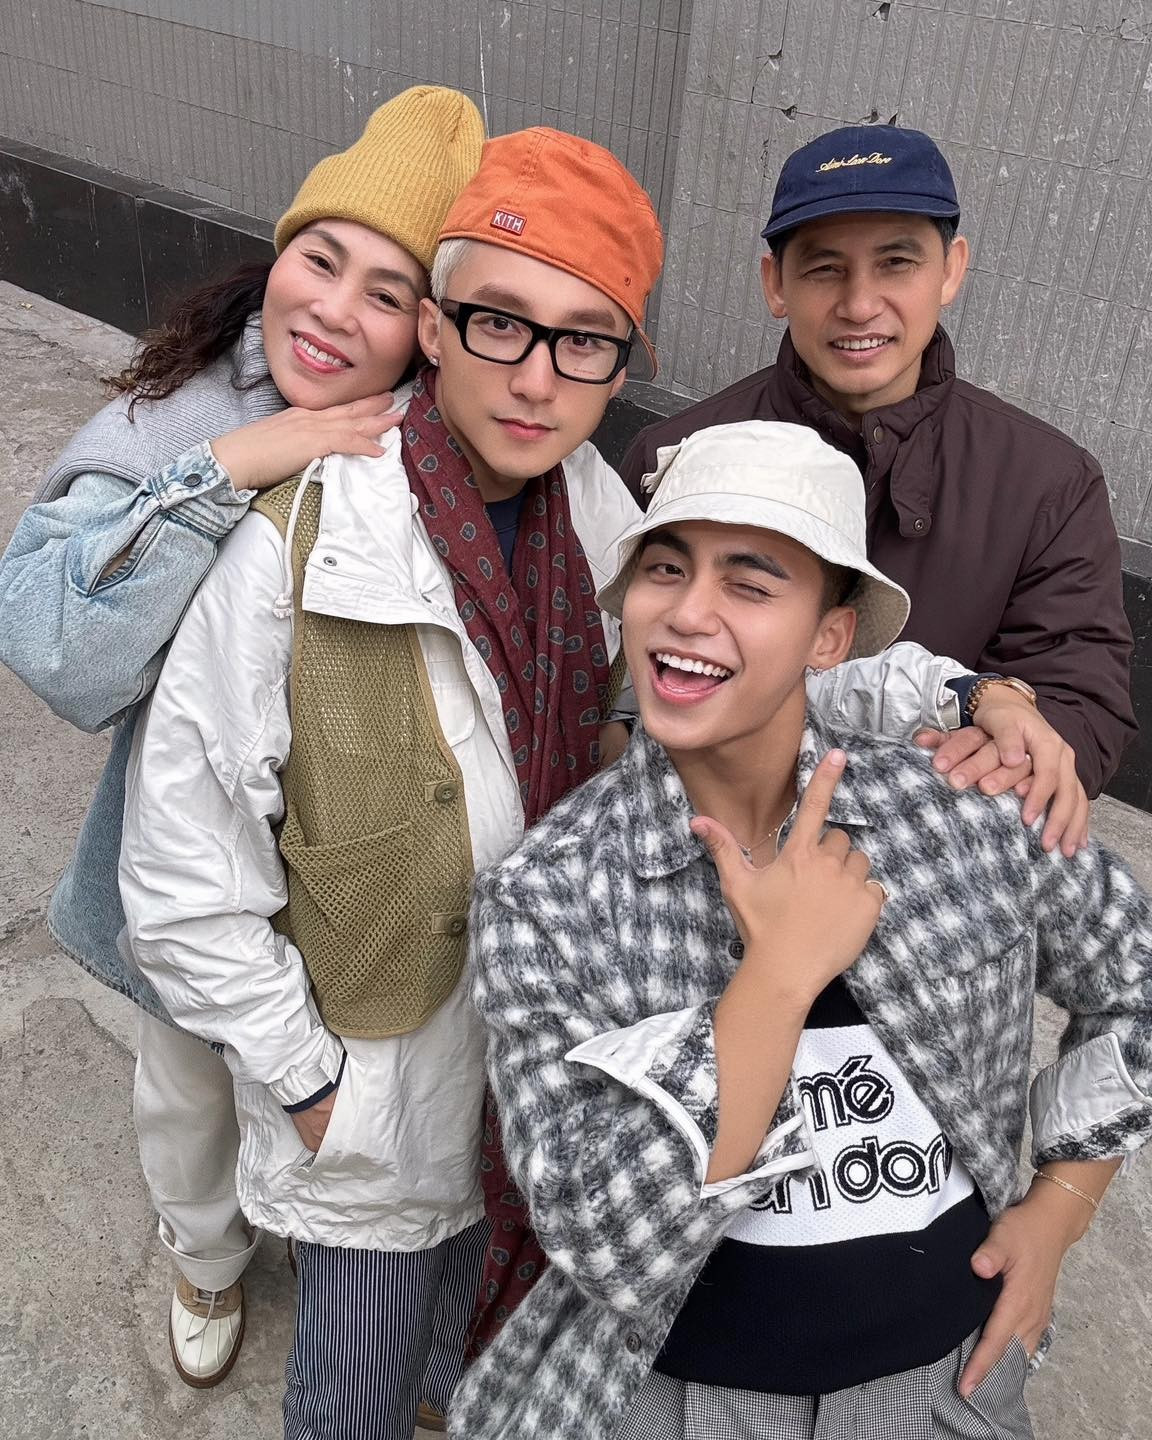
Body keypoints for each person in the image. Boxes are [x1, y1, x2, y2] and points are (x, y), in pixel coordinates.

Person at [454, 419, 1152, 1440]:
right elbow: (598, 1239)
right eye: (665, 569)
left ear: (830, 638)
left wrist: (1060, 1209)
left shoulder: (960, 814)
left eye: (750, 583)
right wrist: (776, 981)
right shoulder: (550, 896)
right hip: (673, 1404)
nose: (689, 612)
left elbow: (1135, 984)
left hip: (947, 1390)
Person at [0, 84, 485, 1391]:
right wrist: (232, 467)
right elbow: (52, 642)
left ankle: (341, 1261)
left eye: (388, 291)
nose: (333, 309)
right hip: (187, 855)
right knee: (189, 1090)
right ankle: (206, 1256)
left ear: (431, 328)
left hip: (358, 872)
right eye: (319, 259)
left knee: (334, 1095)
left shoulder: (445, 451)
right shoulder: (183, 412)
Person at [619, 125, 1136, 801]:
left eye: (896, 263)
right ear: (776, 284)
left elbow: (1081, 704)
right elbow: (613, 678)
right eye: (825, 268)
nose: (860, 305)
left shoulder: (1047, 483)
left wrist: (1000, 754)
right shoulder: (678, 457)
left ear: (950, 270)